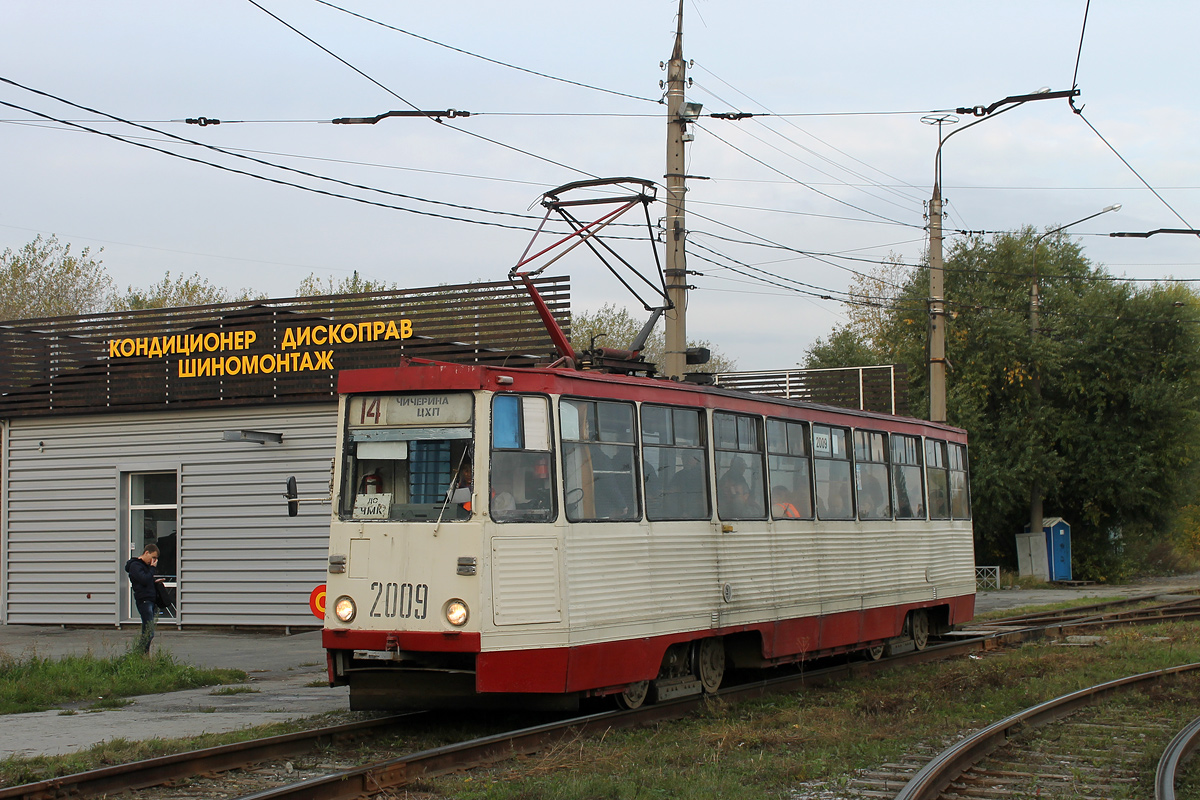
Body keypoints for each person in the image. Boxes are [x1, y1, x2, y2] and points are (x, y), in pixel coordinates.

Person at [125, 544, 164, 654]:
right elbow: (144, 580)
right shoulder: (135, 566)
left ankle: (143, 654)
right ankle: (140, 653)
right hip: (144, 600)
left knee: (147, 631)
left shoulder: (145, 567)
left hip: (150, 599)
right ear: (146, 553)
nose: (154, 561)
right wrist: (152, 569)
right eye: (153, 557)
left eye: (156, 559)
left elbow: (146, 580)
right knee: (148, 632)